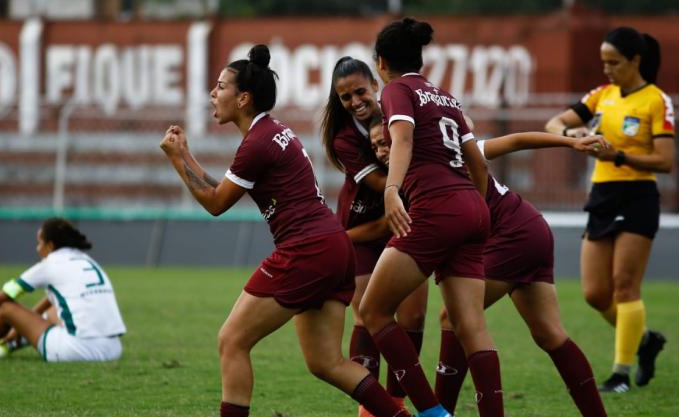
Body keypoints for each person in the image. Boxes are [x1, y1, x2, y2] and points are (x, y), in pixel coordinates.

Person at [159, 44, 411, 417]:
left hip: (306, 249)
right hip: (333, 246)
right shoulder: (273, 132)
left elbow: (215, 203)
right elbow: (223, 191)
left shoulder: (257, 143)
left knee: (232, 340)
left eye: (221, 86)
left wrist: (178, 159)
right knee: (326, 362)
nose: (213, 93)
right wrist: (186, 155)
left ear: (243, 98)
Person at [366, 117, 609, 416]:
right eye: (375, 145)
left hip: (512, 234)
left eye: (385, 141)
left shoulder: (447, 157)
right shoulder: (415, 170)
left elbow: (517, 140)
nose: (380, 150)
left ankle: (442, 412)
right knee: (549, 333)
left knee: (454, 318)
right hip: (529, 229)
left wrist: (572, 142)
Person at [359, 18, 499, 417]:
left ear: (381, 62)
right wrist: (477, 211)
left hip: (436, 209)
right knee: (471, 327)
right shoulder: (447, 98)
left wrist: (391, 189)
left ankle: (432, 413)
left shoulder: (397, 90)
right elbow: (479, 166)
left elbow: (401, 138)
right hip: (473, 207)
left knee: (373, 311)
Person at [545, 26, 672, 393]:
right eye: (603, 62)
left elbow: (665, 161)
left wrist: (615, 154)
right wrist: (573, 137)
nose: (607, 69)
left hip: (637, 196)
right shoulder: (601, 96)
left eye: (613, 62)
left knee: (625, 286)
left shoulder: (656, 101)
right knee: (595, 293)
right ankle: (645, 339)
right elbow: (555, 123)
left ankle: (620, 374)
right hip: (602, 195)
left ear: (635, 60)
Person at [321, 56, 428, 416]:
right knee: (368, 316)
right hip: (364, 231)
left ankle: (395, 401)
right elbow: (384, 187)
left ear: (376, 86)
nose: (355, 102)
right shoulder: (344, 138)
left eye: (360, 91)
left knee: (412, 318)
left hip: (404, 223)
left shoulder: (400, 111)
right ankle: (371, 411)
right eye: (345, 97)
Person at [0, 217, 126, 362]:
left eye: (39, 242)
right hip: (113, 349)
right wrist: (22, 325)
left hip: (77, 351)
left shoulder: (50, 264)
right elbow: (53, 301)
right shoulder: (87, 261)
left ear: (50, 246)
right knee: (51, 312)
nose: (37, 248)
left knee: (6, 310)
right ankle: (6, 345)